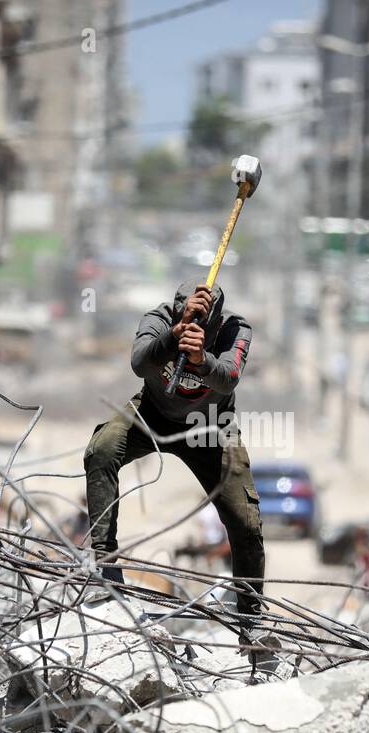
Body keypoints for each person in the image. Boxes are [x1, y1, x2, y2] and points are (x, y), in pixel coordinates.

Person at [83, 282, 272, 663]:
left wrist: (201, 358)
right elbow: (140, 363)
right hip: (152, 415)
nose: (197, 324)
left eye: (204, 321)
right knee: (101, 449)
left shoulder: (236, 329)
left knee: (246, 520)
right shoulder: (159, 320)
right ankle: (104, 566)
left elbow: (229, 378)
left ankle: (251, 618)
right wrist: (174, 336)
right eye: (188, 317)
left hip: (210, 426)